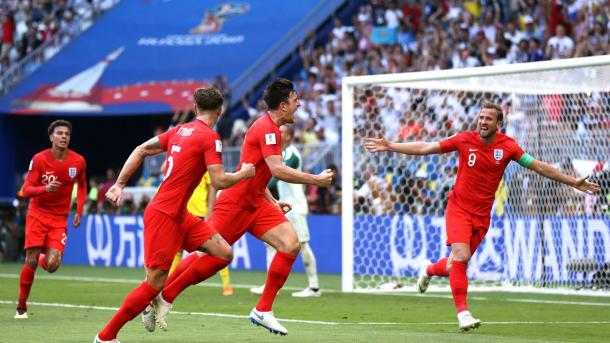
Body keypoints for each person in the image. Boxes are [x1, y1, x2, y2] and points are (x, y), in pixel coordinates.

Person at [364, 100, 600, 331]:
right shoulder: (464, 139)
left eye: (488, 118)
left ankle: (427, 270)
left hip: (482, 216)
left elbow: (538, 166)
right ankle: (463, 314)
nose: (483, 122)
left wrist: (572, 182)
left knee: (453, 263)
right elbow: (426, 148)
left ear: (499, 124)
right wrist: (392, 145)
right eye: (481, 117)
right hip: (458, 208)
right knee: (461, 256)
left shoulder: (509, 147)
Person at [151, 78, 334, 336]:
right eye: (294, 99)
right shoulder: (267, 129)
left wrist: (271, 199)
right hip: (234, 204)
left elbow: (259, 172)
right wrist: (315, 179)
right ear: (283, 106)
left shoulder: (271, 129)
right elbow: (277, 170)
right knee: (207, 255)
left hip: (257, 203)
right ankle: (164, 296)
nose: (298, 103)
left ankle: (263, 310)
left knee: (290, 244)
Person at [94, 87, 255, 343]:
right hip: (164, 216)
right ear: (220, 111)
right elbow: (219, 180)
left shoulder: (179, 131)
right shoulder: (210, 137)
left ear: (194, 108)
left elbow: (140, 149)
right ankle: (105, 337)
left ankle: (165, 296)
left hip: (180, 215)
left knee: (223, 253)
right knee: (152, 283)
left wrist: (120, 184)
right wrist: (245, 173)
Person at [16, 120, 87, 319]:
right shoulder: (39, 159)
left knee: (53, 265)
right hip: (37, 214)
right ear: (51, 137)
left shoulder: (78, 161)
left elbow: (82, 186)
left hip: (59, 218)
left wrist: (79, 210)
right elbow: (26, 190)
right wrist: (44, 189)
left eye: (67, 134)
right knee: (30, 261)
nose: (64, 136)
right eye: (60, 133)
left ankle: (42, 258)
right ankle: (21, 307)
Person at [251, 124, 321, 297]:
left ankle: (314, 287)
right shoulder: (278, 154)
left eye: (281, 133)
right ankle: (269, 285)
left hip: (295, 206)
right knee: (270, 243)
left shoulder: (292, 154)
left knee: (302, 245)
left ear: (289, 136)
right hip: (282, 205)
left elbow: (275, 177)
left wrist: (258, 186)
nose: (278, 135)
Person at [168, 171, 234, 296]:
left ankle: (227, 285)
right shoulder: (184, 161)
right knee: (178, 250)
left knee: (216, 249)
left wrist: (210, 210)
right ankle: (168, 283)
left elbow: (212, 186)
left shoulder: (205, 165)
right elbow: (163, 170)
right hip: (182, 212)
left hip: (199, 213)